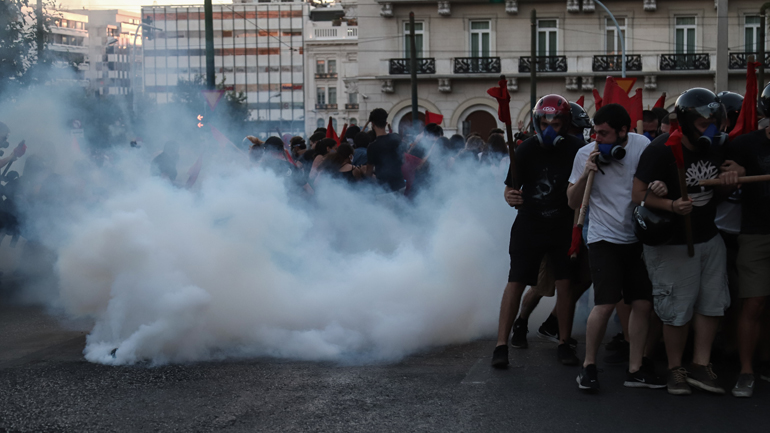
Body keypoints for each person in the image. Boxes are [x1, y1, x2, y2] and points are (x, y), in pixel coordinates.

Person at [632, 88, 740, 395]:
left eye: (715, 121)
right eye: (704, 122)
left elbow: (727, 175)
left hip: (708, 237)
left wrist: (735, 173)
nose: (711, 128)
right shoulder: (661, 149)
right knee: (677, 309)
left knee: (712, 304)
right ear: (688, 121)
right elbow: (638, 194)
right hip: (672, 244)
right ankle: (675, 367)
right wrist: (670, 205)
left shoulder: (719, 146)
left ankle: (700, 364)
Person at [568, 103, 664, 392]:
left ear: (624, 131)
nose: (597, 138)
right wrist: (587, 173)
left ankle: (635, 369)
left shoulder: (641, 145)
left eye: (605, 133)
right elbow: (572, 201)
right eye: (595, 132)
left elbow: (650, 180)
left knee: (643, 303)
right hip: (602, 238)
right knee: (605, 303)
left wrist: (658, 185)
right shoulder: (586, 153)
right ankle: (588, 366)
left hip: (635, 237)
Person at [492, 94, 582, 368]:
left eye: (556, 123)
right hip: (529, 225)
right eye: (545, 123)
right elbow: (510, 187)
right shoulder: (525, 150)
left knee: (565, 284)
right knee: (516, 282)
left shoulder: (577, 150)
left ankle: (564, 343)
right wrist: (510, 196)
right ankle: (501, 345)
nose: (549, 129)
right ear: (536, 122)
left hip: (563, 226)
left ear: (565, 124)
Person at [512, 101, 593, 350]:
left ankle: (555, 324)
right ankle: (521, 322)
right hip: (548, 224)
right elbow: (515, 188)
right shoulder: (534, 150)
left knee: (580, 279)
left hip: (573, 226)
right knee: (542, 284)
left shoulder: (579, 149)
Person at [726, 83, 770, 397]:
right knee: (753, 302)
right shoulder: (746, 145)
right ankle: (746, 370)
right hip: (756, 234)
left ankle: (765, 361)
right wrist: (734, 171)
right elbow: (724, 169)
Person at [365, 108, 405, 192]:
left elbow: (369, 172)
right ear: (386, 123)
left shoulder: (372, 147)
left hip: (385, 189)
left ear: (372, 124)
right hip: (400, 185)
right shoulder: (396, 139)